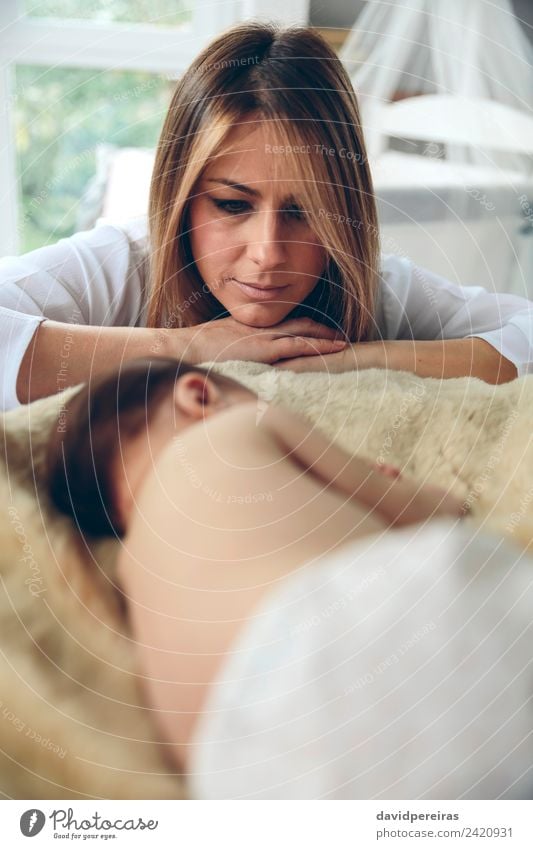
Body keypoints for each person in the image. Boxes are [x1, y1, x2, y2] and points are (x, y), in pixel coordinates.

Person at [1, 22, 532, 414]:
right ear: (179, 198)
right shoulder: (120, 264)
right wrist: (192, 348)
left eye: (306, 212)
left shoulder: (375, 287)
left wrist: (362, 362)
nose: (268, 253)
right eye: (233, 205)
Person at [45, 356, 468, 772]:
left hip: (240, 767)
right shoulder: (239, 425)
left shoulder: (131, 564)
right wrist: (404, 491)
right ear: (200, 395)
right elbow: (422, 512)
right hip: (349, 637)